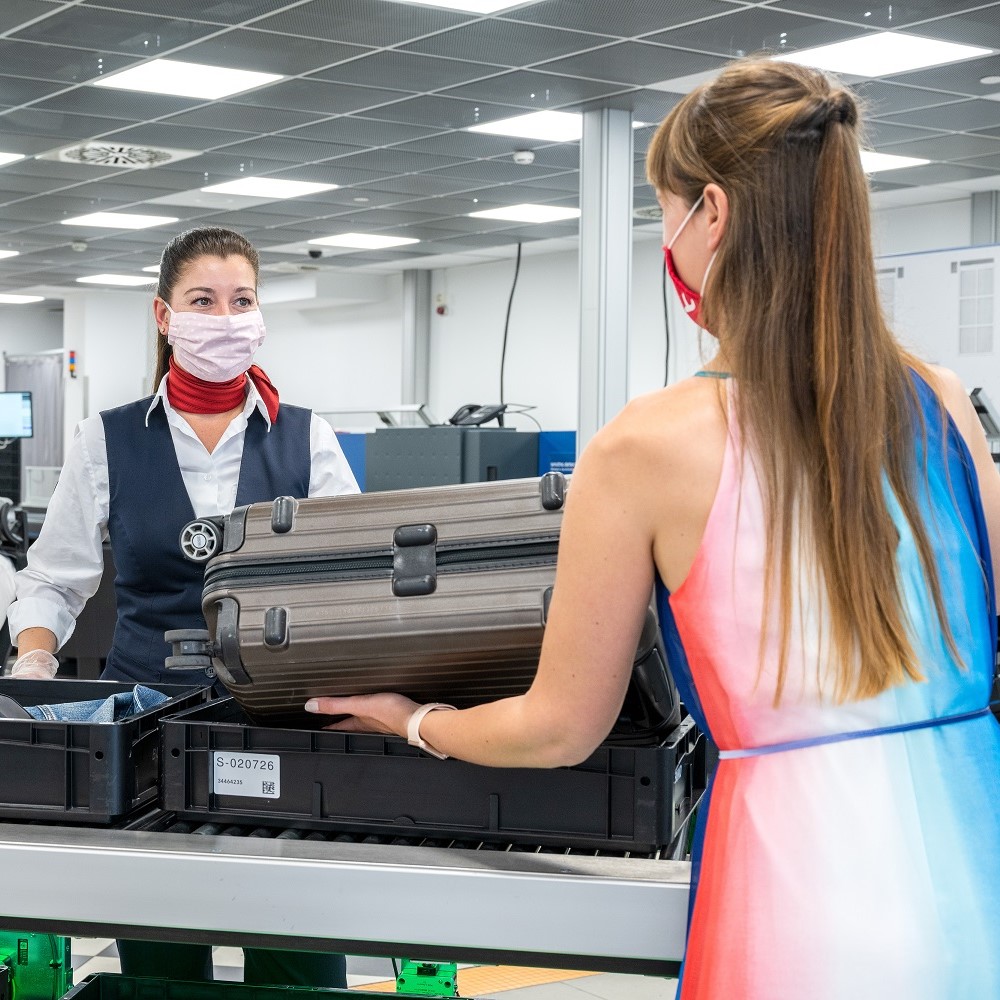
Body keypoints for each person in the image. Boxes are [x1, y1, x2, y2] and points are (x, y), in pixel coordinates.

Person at [303, 58, 1000, 998]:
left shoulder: (648, 445)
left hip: (796, 897)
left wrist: (419, 719)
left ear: (712, 212)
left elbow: (558, 729)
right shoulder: (944, 405)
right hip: (975, 862)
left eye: (664, 212)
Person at [7, 226, 358, 987]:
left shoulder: (307, 438)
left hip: (281, 725)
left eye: (242, 301)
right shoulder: (107, 440)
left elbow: (356, 576)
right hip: (146, 733)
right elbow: (53, 580)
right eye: (204, 300)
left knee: (298, 956)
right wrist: (33, 656)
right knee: (161, 962)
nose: (226, 319)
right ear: (165, 316)